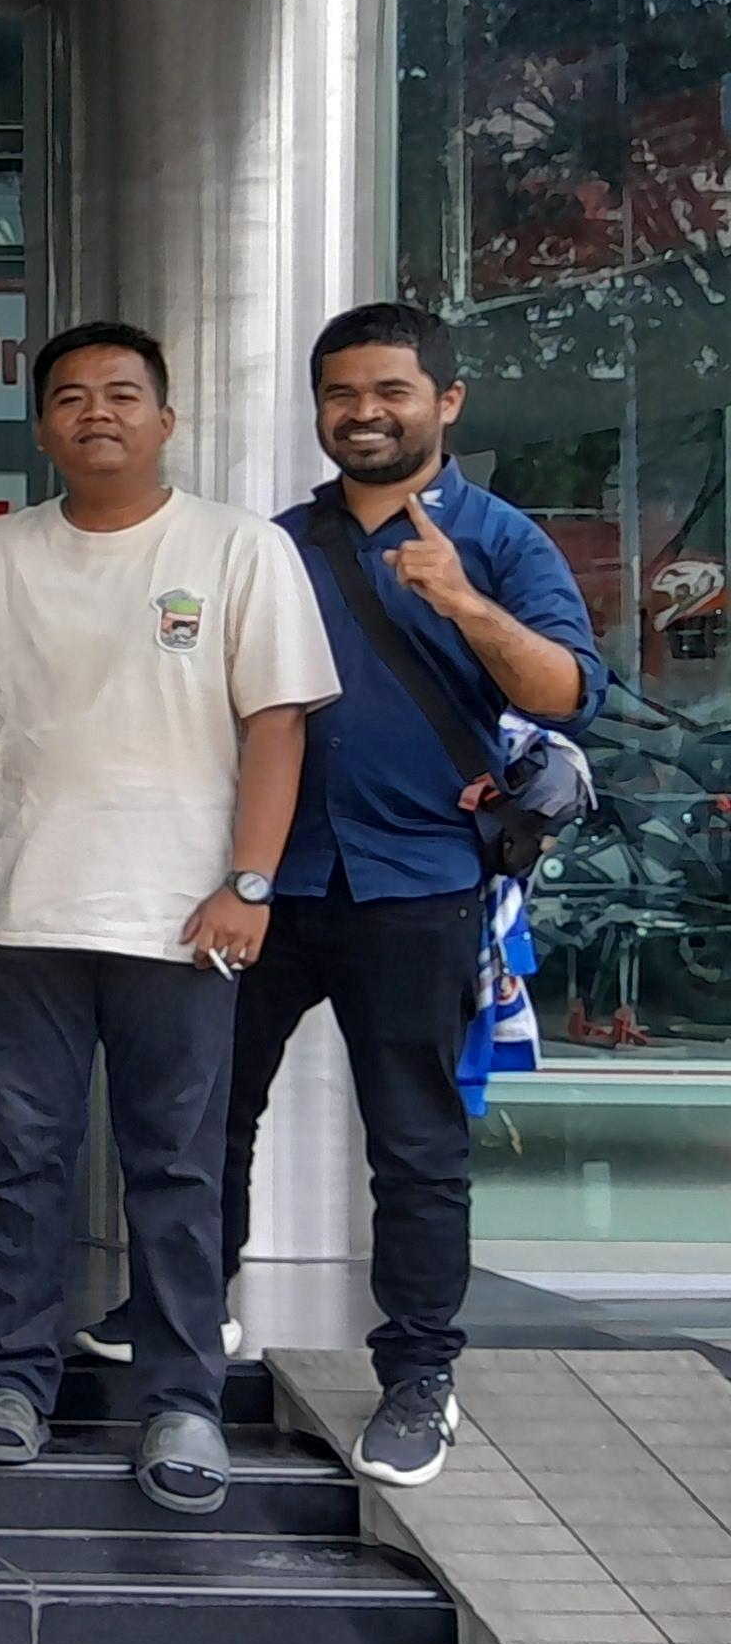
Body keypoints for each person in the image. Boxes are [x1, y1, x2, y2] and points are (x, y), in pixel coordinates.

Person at [0, 325, 336, 1515]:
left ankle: (184, 1399)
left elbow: (277, 724)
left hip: (182, 922)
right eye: (71, 397)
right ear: (41, 428)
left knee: (176, 1170)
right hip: (16, 912)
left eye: (123, 395)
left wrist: (251, 882)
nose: (97, 414)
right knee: (15, 1166)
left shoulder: (238, 548)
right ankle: (10, 1383)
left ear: (166, 420)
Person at [231, 302, 601, 1488]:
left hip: (419, 882)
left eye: (390, 391)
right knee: (206, 1114)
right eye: (341, 394)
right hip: (270, 876)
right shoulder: (276, 544)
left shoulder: (499, 539)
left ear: (446, 401)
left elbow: (566, 692)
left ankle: (420, 1376)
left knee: (417, 1143)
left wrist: (462, 602)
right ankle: (186, 1314)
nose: (364, 413)